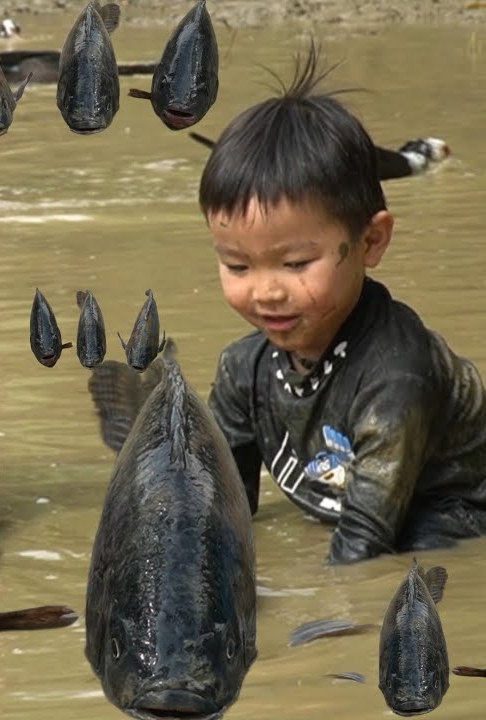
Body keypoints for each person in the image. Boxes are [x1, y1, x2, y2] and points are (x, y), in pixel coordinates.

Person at [200, 45, 486, 564]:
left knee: (416, 560)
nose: (265, 291)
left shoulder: (396, 377)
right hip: (360, 504)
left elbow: (363, 550)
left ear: (372, 242)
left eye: (295, 263)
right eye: (238, 266)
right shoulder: (244, 370)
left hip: (454, 512)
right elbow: (221, 507)